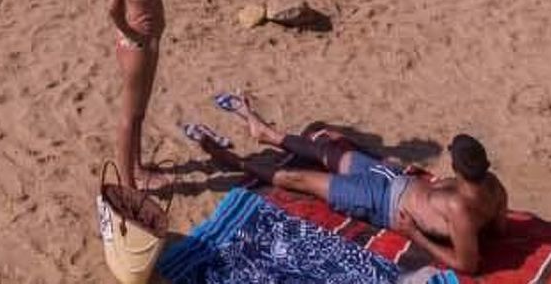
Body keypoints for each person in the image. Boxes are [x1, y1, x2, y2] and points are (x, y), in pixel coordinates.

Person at [194, 99, 507, 276]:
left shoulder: (460, 211)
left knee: (299, 179)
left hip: (379, 202)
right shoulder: (494, 187)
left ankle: (234, 161)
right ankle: (268, 135)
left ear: (457, 169)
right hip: (394, 178)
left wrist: (415, 234)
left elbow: (468, 264)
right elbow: (502, 228)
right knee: (329, 153)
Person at [108, 0, 168, 184]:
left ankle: (138, 167)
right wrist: (130, 33)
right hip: (137, 44)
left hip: (150, 39)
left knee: (140, 112)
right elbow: (112, 4)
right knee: (128, 117)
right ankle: (128, 184)